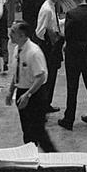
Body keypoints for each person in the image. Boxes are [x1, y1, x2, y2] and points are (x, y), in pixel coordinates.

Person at [6, 20, 56, 152]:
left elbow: (41, 77)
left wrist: (28, 94)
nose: (10, 34)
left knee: (39, 131)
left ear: (22, 35)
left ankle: (53, 157)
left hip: (35, 94)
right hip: (22, 93)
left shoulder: (33, 52)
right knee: (27, 130)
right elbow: (17, 73)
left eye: (13, 32)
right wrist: (11, 91)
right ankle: (29, 155)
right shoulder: (17, 49)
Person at [59, 0, 87, 130]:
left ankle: (69, 118)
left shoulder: (71, 14)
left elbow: (68, 35)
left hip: (73, 54)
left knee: (72, 86)